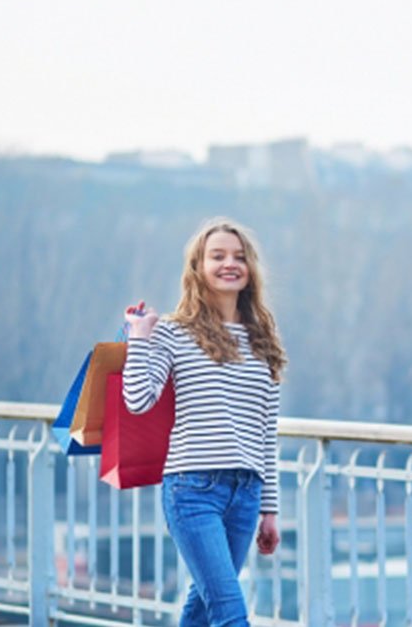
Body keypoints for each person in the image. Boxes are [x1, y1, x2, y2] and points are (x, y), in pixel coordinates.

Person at [122, 217, 286, 627]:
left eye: (239, 256)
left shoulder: (262, 339)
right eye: (217, 256)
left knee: (201, 607)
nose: (230, 264)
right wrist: (140, 338)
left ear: (251, 270)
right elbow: (138, 400)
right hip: (193, 489)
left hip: (246, 494)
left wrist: (269, 510)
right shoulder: (174, 332)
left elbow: (266, 433)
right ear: (198, 267)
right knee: (231, 613)